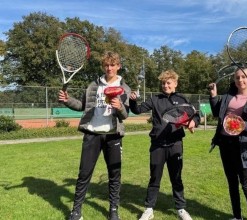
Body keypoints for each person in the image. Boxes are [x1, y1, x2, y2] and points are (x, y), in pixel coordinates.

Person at [58, 51, 130, 220]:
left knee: (114, 174)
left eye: (113, 65)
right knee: (84, 174)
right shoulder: (93, 85)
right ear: (103, 66)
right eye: (106, 65)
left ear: (118, 66)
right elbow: (82, 106)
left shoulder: (124, 88)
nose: (109, 68)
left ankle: (113, 210)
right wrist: (68, 100)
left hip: (113, 136)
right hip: (92, 134)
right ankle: (76, 211)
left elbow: (125, 115)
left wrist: (119, 106)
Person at [129, 69, 200, 220]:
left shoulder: (182, 99)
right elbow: (137, 110)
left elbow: (195, 115)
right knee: (154, 177)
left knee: (176, 177)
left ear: (175, 83)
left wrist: (194, 121)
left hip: (175, 144)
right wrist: (133, 100)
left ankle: (181, 209)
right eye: (163, 83)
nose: (165, 85)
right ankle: (149, 209)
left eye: (168, 83)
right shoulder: (155, 99)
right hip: (157, 145)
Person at [208, 68, 247, 220]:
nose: (240, 80)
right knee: (232, 183)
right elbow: (216, 113)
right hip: (225, 144)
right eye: (237, 77)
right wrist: (214, 96)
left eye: (243, 77)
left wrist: (242, 125)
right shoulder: (228, 96)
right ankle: (237, 216)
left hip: (243, 146)